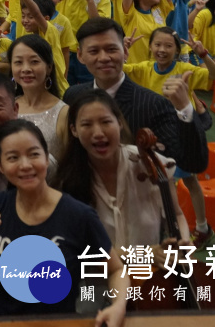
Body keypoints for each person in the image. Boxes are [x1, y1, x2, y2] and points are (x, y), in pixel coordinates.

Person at [0, 119, 128, 323]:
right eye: (13, 157)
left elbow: (115, 270)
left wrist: (118, 306)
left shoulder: (78, 214)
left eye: (34, 154)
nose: (25, 165)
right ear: (0, 164)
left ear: (46, 157)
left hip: (57, 322)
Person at [65, 18, 208, 174]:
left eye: (111, 49)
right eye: (94, 51)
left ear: (125, 51)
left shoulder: (153, 105)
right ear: (80, 55)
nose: (104, 57)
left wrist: (185, 108)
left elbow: (192, 163)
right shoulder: (73, 96)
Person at [54, 89, 192, 249]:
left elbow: (176, 215)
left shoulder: (151, 165)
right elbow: (77, 249)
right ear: (74, 130)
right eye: (86, 124)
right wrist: (141, 256)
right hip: (98, 272)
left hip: (149, 272)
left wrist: (183, 241)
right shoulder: (67, 179)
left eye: (106, 122)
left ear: (119, 123)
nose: (98, 133)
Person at [9, 34, 67, 159]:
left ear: (49, 67)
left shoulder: (63, 113)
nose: (26, 69)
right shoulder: (7, 107)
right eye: (18, 62)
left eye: (34, 62)